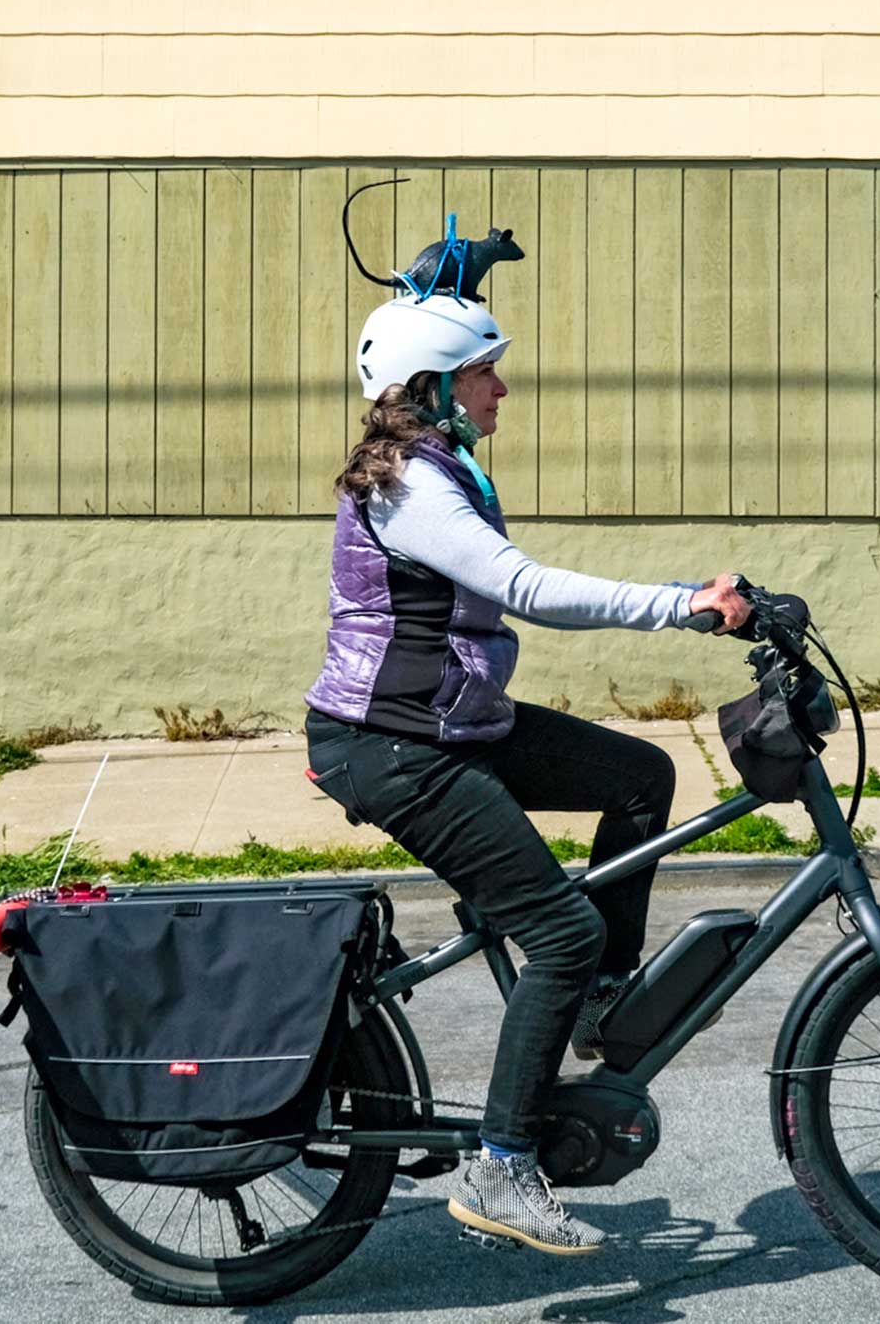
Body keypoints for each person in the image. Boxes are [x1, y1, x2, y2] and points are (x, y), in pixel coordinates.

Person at [302, 288, 752, 1255]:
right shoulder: (410, 486)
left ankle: (596, 999)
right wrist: (686, 604)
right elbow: (524, 587)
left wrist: (445, 277)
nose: (502, 388)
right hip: (396, 746)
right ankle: (504, 1166)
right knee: (558, 930)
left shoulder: (435, 466)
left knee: (639, 774)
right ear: (434, 387)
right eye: (484, 371)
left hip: (451, 723)